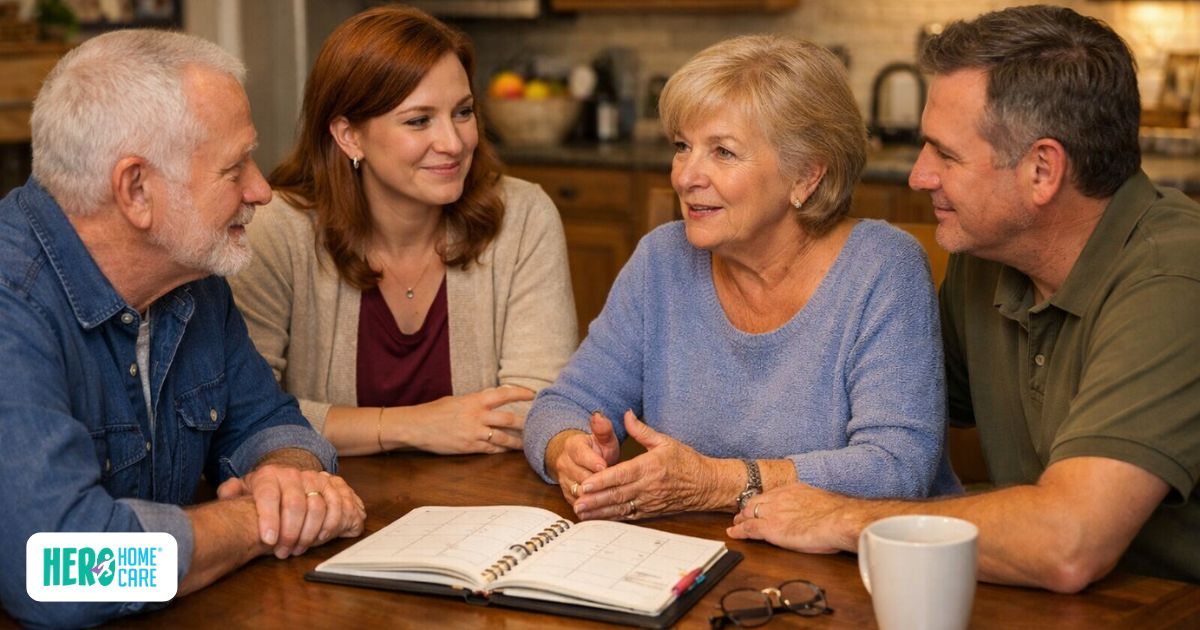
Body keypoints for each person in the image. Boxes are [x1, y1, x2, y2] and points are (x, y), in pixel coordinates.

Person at [729, 5, 1200, 592]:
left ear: (1042, 170)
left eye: (946, 155)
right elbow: (876, 412)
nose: (917, 176)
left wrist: (845, 520)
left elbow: (1068, 542)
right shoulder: (990, 257)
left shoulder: (1173, 280)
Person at [0, 30, 366, 627]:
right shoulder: (11, 305)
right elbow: (59, 570)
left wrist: (290, 478)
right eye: (233, 167)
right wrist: (253, 522)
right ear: (136, 189)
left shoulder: (188, 274)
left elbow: (269, 422)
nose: (261, 189)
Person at [524, 34, 961, 522]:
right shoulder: (662, 261)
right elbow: (563, 403)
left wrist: (716, 483)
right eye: (682, 147)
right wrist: (569, 450)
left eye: (723, 153)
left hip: (864, 567)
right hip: (695, 558)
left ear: (806, 176)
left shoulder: (882, 268)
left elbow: (897, 468)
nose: (686, 176)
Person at [229, 5, 576, 456]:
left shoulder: (524, 216)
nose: (453, 143)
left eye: (463, 112)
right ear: (349, 136)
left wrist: (336, 425)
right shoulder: (277, 232)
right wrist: (413, 426)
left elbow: (538, 406)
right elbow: (246, 417)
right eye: (418, 120)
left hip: (486, 505)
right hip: (332, 504)